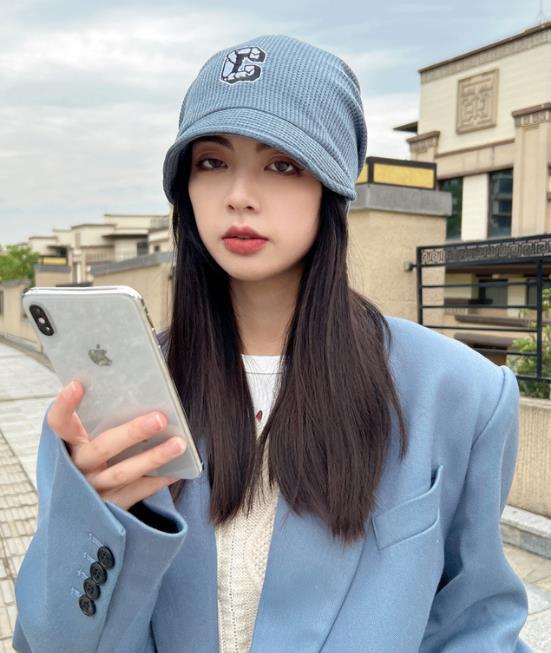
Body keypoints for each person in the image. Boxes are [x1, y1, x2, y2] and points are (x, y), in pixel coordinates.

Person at [12, 34, 532, 653]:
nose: (239, 194)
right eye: (211, 162)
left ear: (331, 186)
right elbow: (47, 640)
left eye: (282, 164)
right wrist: (92, 519)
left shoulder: (460, 393)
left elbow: (476, 623)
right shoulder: (113, 400)